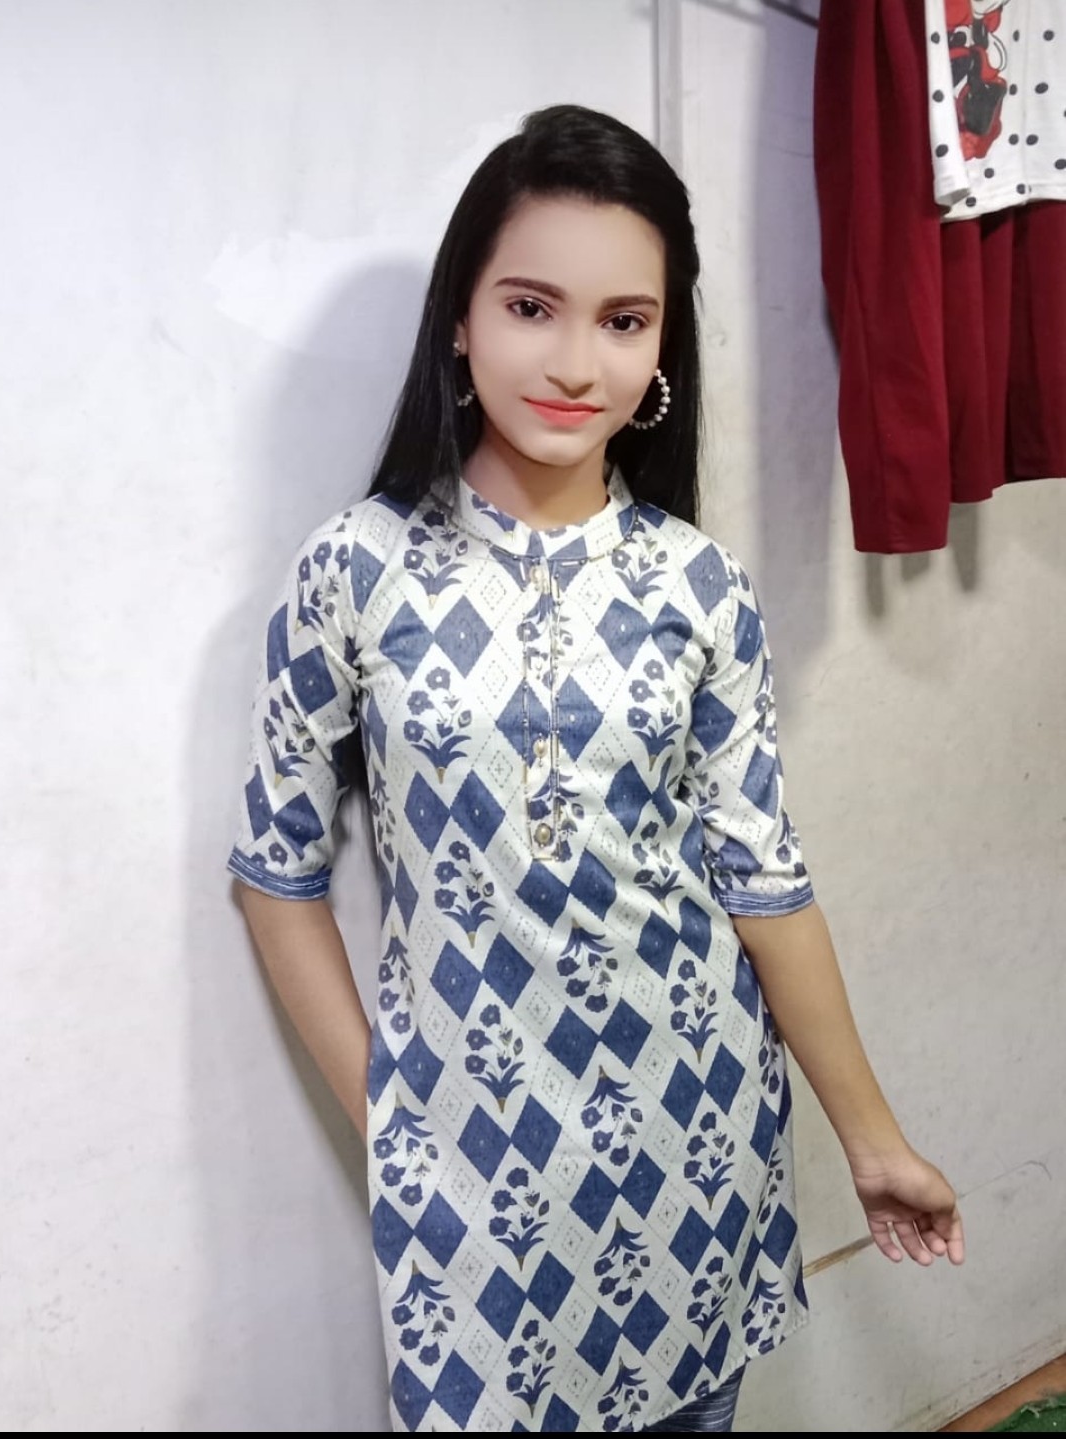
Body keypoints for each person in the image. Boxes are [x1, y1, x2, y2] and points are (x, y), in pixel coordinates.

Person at [228, 104, 964, 1434]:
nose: (576, 363)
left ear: (663, 347)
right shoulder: (353, 571)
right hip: (473, 1185)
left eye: (625, 321)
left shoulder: (701, 587)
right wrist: (393, 1121)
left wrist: (873, 1142)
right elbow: (275, 878)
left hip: (697, 1148)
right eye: (531, 307)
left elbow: (765, 885)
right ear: (462, 320)